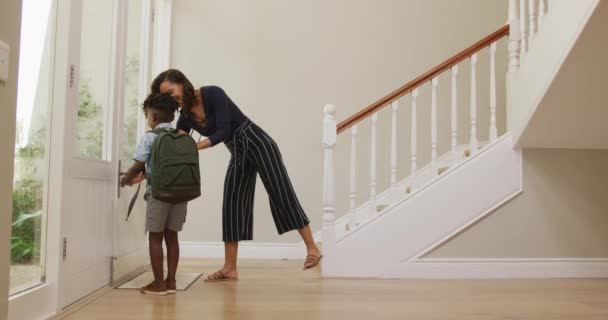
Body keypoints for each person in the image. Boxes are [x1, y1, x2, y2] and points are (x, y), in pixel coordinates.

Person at [150, 69, 322, 282]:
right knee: (232, 204)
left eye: (170, 91)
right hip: (238, 152)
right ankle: (230, 268)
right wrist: (152, 164)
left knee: (281, 193)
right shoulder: (185, 116)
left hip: (258, 143)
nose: (170, 97)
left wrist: (196, 146)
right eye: (165, 96)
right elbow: (178, 143)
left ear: (181, 82)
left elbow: (223, 130)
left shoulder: (212, 93)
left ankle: (312, 248)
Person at [121, 93, 188, 295]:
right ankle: (171, 282)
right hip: (181, 194)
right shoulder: (181, 136)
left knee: (155, 238)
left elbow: (138, 164)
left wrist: (126, 179)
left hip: (159, 195)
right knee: (172, 237)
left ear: (153, 118)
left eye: (147, 115)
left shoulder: (151, 137)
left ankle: (158, 284)